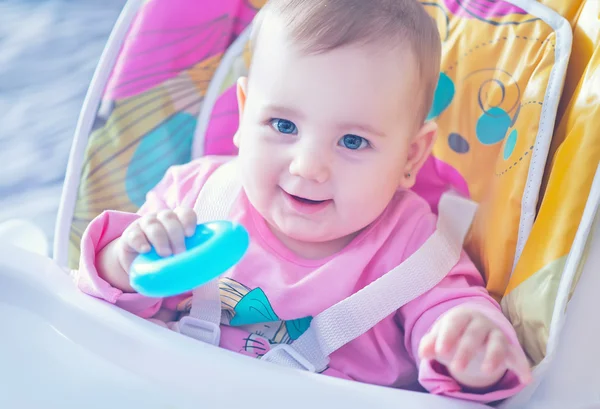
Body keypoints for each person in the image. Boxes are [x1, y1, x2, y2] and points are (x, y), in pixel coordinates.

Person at [75, 0, 531, 402]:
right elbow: (110, 304)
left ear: (410, 156)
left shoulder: (414, 247)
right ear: (244, 111)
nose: (308, 167)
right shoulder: (195, 196)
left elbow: (448, 310)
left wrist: (467, 342)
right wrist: (125, 260)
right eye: (283, 126)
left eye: (353, 141)